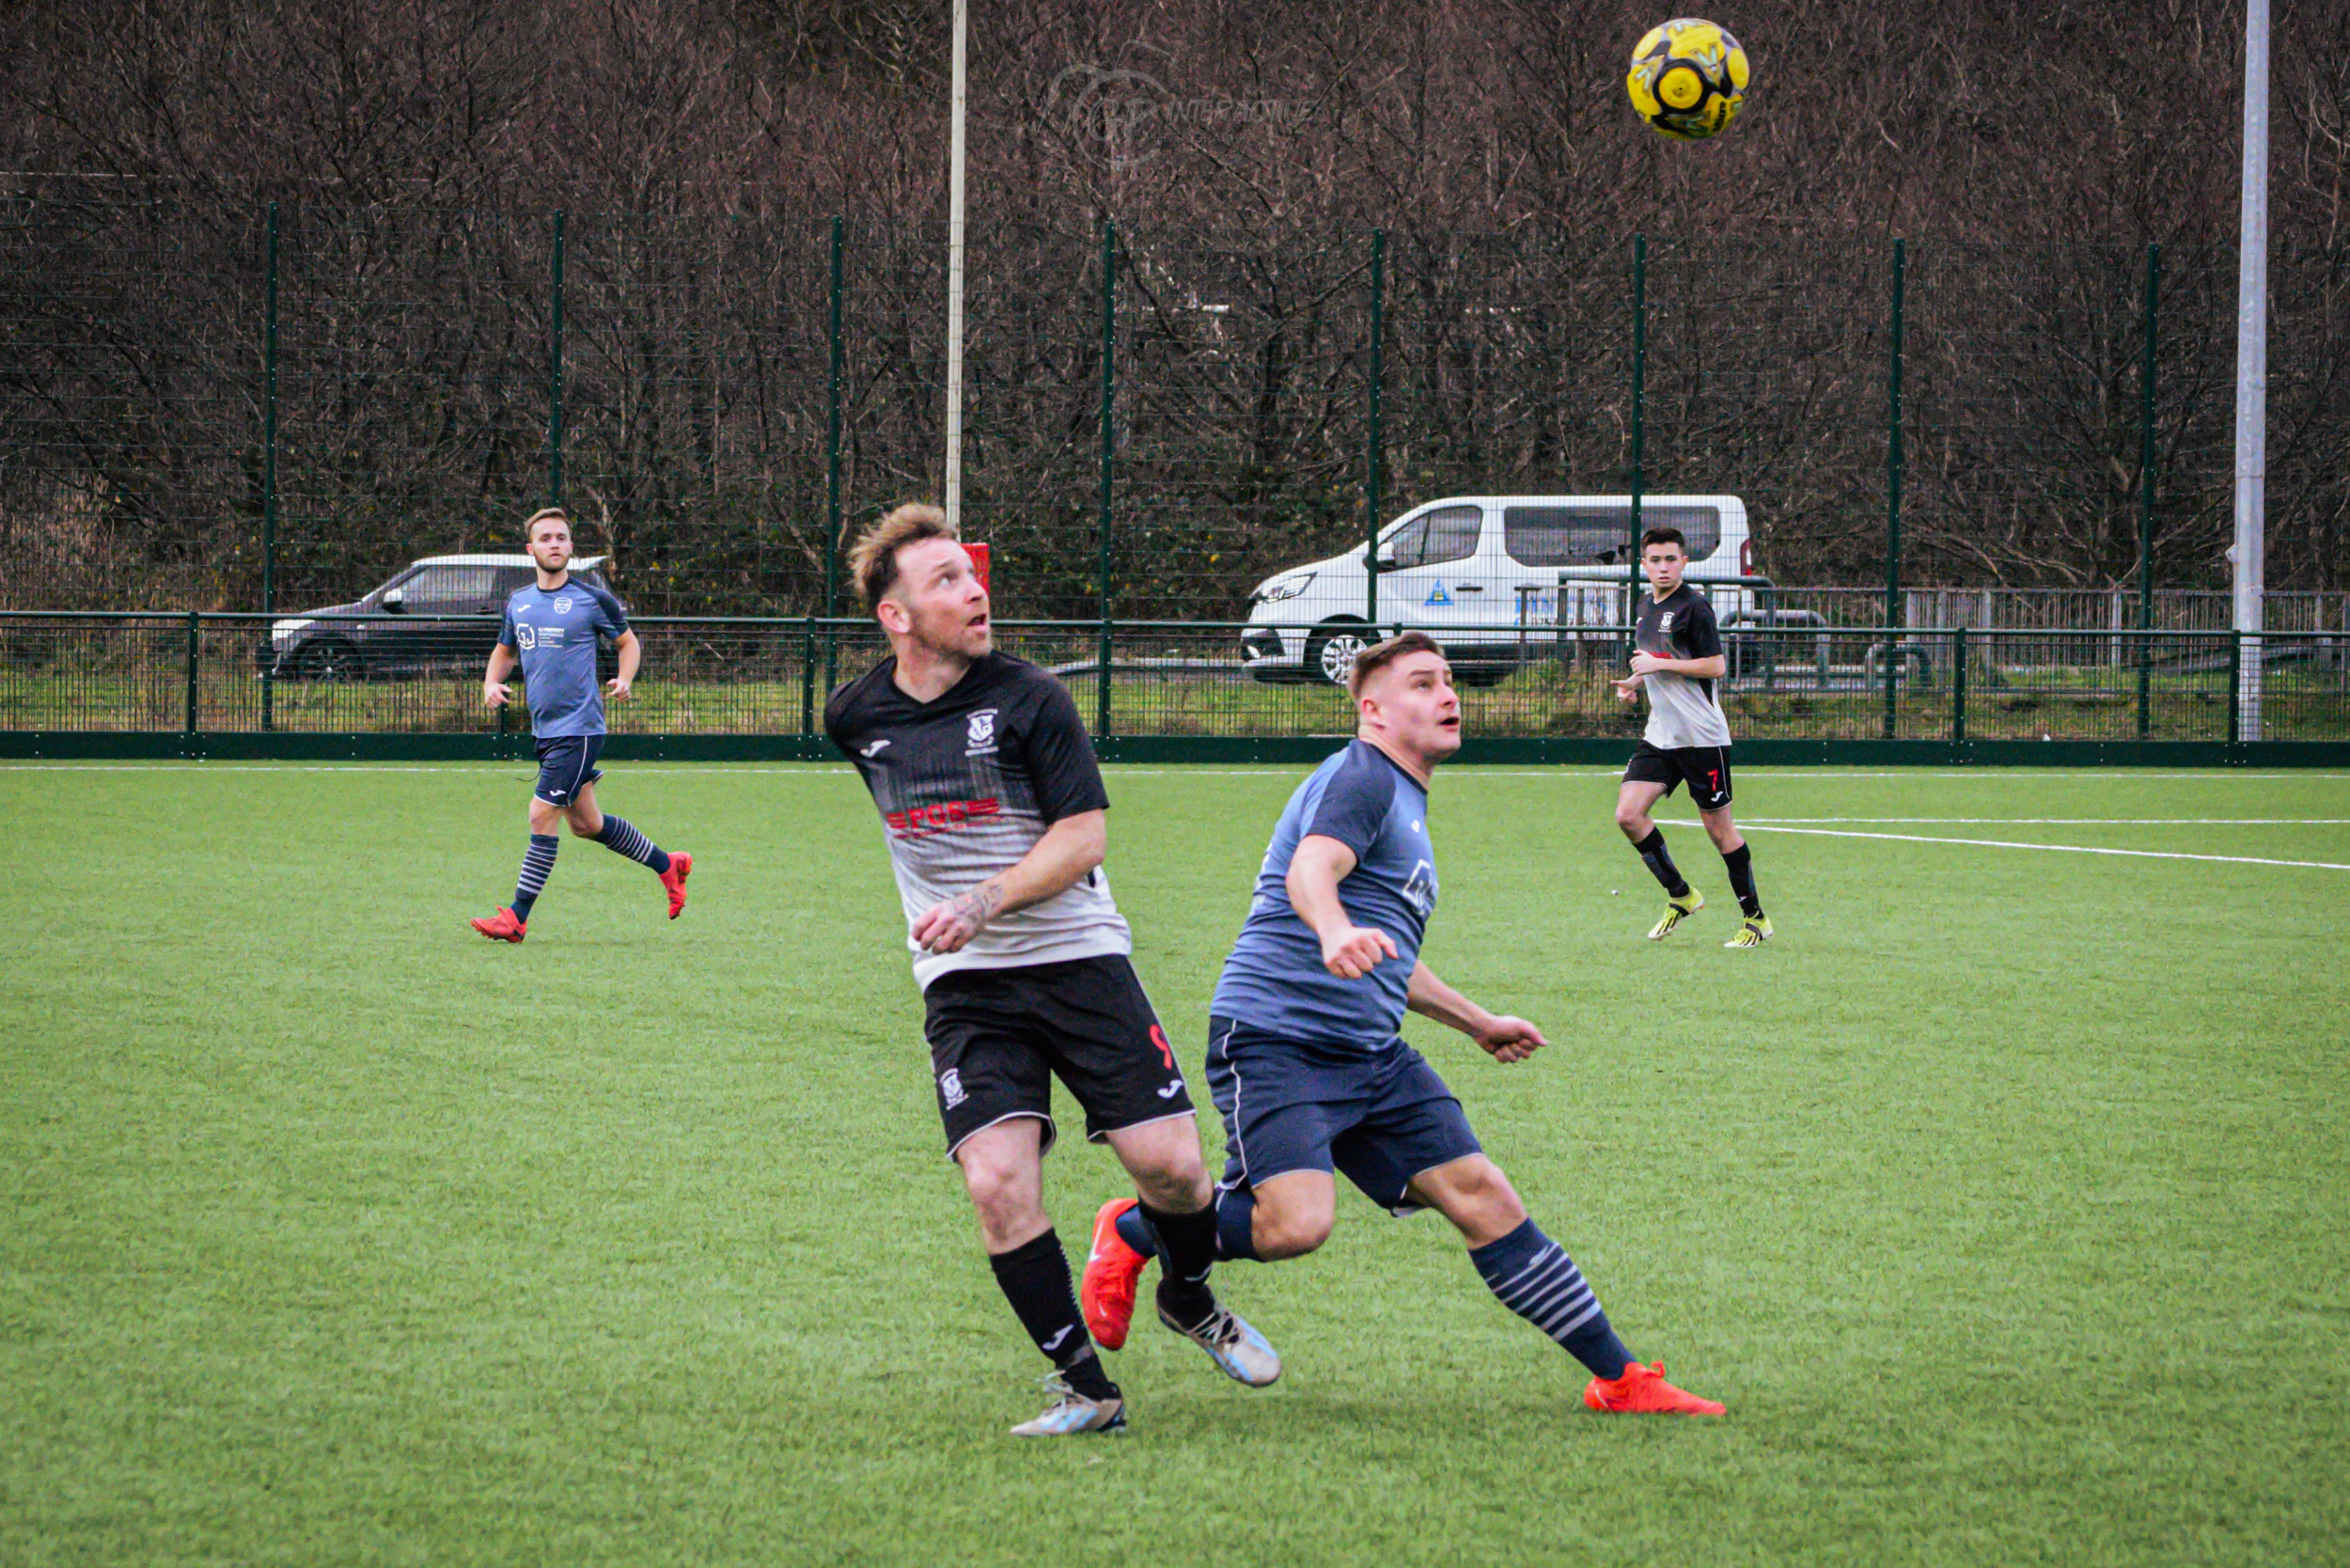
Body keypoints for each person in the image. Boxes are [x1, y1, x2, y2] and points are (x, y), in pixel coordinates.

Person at [1084, 632, 1724, 1417]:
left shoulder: (1404, 797)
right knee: (1296, 1226)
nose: (1448, 695)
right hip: (1279, 1039)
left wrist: (1476, 1022)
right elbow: (1309, 872)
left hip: (1372, 1054)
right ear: (1373, 711)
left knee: (1484, 1197)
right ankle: (1136, 1231)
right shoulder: (1363, 778)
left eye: (1450, 680)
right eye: (1423, 684)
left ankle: (1619, 1379)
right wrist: (1329, 930)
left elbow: (1388, 958)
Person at [823, 502, 1277, 1438]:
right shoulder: (854, 716)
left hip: (1079, 962)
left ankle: (1186, 1295)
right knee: (995, 1181)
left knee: (1178, 1173)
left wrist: (982, 900)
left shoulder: (1033, 699)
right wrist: (951, 920)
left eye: (972, 571)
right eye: (945, 578)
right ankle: (1086, 1386)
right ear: (895, 616)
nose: (975, 588)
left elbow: (1083, 839)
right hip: (964, 988)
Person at [470, 508, 690, 941]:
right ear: (530, 549)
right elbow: (505, 651)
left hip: (580, 729)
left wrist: (625, 679)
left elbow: (628, 643)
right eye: (546, 538)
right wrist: (490, 684)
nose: (555, 544)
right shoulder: (519, 602)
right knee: (587, 825)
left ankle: (516, 918)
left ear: (571, 547)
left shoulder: (592, 599)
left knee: (540, 814)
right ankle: (670, 864)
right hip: (546, 731)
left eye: (562, 538)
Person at [1611, 525, 1771, 948]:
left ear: (1684, 562)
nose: (1663, 567)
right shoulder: (1645, 605)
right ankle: (1681, 895)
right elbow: (1659, 665)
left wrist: (1658, 664)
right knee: (1628, 815)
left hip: (1702, 738)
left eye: (1671, 559)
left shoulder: (1695, 607)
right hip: (1662, 736)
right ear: (1643, 565)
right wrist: (1634, 682)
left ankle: (1755, 919)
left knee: (1719, 832)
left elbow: (1715, 666)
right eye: (1655, 560)